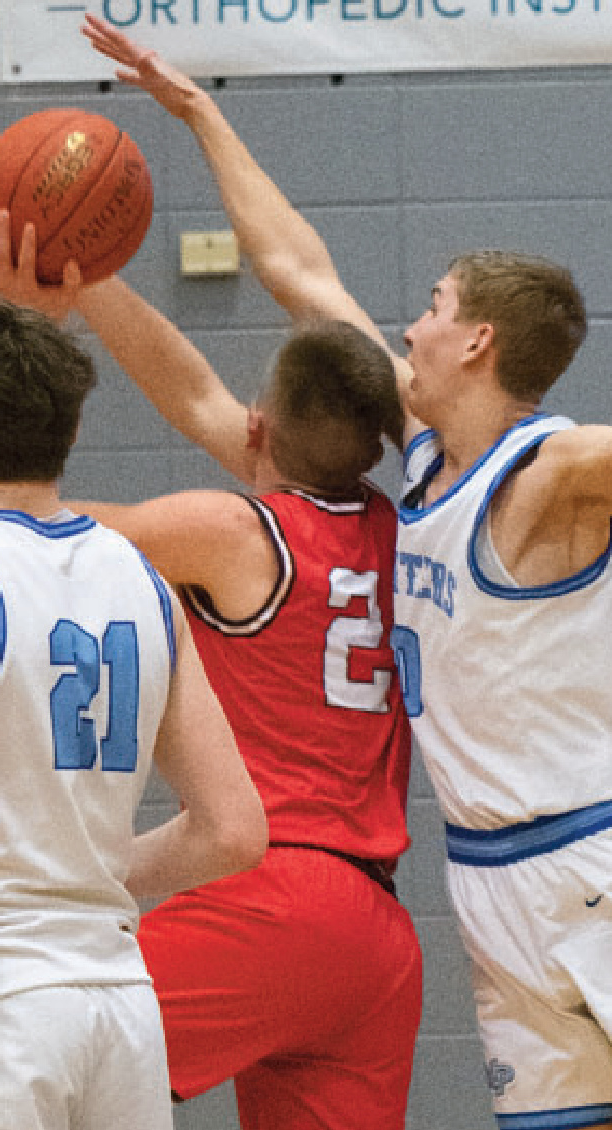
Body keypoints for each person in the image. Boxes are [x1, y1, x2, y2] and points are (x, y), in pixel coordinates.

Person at [73, 20, 612, 1130]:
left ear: (476, 345)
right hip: (481, 878)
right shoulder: (407, 485)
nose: (408, 324)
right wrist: (201, 112)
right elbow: (294, 264)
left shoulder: (552, 467)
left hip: (587, 846)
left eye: (432, 307)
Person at [0, 186, 423, 1126]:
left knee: (34, 1084)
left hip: (268, 897)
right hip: (376, 940)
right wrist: (88, 281)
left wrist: (23, 330)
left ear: (260, 428)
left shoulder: (232, 530)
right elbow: (194, 394)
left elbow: (24, 516)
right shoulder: (401, 532)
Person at [0, 289, 267, 1130]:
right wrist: (89, 874)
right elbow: (232, 829)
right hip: (117, 1010)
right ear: (72, 430)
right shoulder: (146, 583)